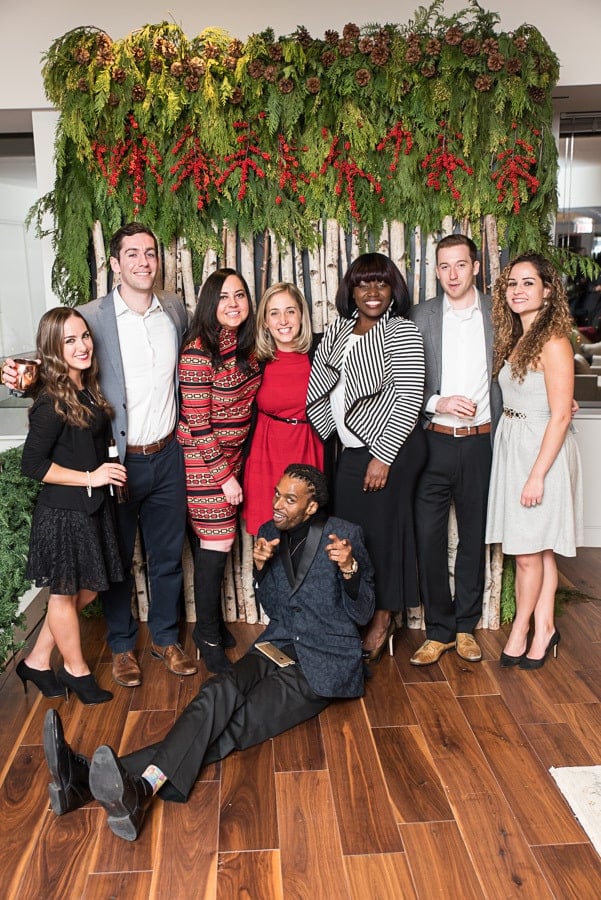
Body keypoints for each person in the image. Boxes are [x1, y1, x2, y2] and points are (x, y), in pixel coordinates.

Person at [40, 464, 375, 842]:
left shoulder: (344, 536)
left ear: (312, 508)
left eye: (290, 499)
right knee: (215, 693)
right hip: (277, 645)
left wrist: (350, 570)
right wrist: (262, 571)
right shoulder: (269, 534)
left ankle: (95, 783)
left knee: (237, 723)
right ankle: (107, 787)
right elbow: (278, 609)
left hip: (321, 664)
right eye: (277, 493)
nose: (277, 504)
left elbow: (362, 614)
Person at [3, 224, 199, 685]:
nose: (144, 262)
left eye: (151, 253)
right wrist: (13, 374)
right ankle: (122, 646)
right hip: (117, 461)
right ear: (115, 264)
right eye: (132, 254)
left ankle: (167, 640)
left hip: (168, 454)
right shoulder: (91, 317)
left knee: (168, 555)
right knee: (116, 562)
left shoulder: (174, 310)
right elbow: (51, 353)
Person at [307, 252, 426, 662]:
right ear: (350, 290)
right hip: (352, 447)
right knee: (351, 533)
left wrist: (383, 455)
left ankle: (382, 619)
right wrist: (330, 429)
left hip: (390, 448)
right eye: (363, 284)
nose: (372, 292)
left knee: (383, 534)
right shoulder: (338, 329)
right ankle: (356, 610)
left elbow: (409, 398)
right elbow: (323, 382)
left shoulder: (402, 332)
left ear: (394, 289)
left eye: (381, 283)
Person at [17, 307, 127, 705]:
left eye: (84, 336)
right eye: (69, 341)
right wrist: (91, 477)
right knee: (64, 597)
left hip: (89, 509)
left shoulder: (84, 387)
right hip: (63, 514)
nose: (82, 346)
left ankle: (38, 659)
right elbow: (32, 464)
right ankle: (77, 672)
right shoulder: (51, 400)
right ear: (52, 350)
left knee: (87, 592)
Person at [485, 253, 584, 668]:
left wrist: (537, 475)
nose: (518, 291)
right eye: (512, 284)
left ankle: (522, 627)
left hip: (542, 453)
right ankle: (545, 625)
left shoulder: (554, 340)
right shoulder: (518, 336)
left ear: (547, 290)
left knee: (526, 553)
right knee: (539, 550)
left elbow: (560, 414)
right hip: (516, 444)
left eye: (528, 283)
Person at [409, 234, 502, 666]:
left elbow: (523, 365)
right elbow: (404, 380)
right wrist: (437, 401)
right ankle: (439, 630)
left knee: (472, 538)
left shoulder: (498, 315)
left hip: (482, 443)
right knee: (428, 537)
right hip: (433, 442)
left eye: (460, 265)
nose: (451, 275)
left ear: (476, 267)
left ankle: (465, 627)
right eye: (443, 266)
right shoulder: (421, 316)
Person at [178, 268, 261, 674]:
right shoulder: (197, 352)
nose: (233, 304)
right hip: (203, 458)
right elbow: (197, 422)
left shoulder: (245, 347)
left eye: (240, 296)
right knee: (219, 544)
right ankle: (208, 636)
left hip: (236, 457)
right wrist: (224, 477)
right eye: (225, 297)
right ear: (210, 302)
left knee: (214, 547)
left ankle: (211, 625)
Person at [243, 282, 324, 536]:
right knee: (268, 537)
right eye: (274, 313)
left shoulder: (322, 354)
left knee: (308, 535)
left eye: (290, 311)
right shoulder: (256, 360)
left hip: (308, 451)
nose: (283, 320)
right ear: (265, 321)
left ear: (302, 314)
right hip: (265, 456)